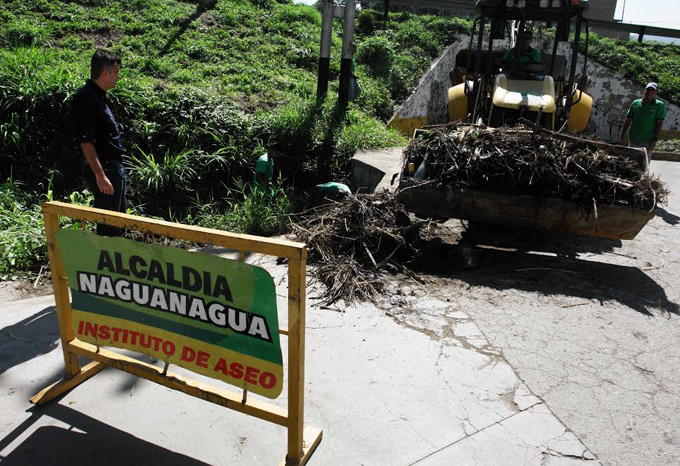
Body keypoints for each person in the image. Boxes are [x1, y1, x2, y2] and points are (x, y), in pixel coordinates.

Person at [72, 49, 126, 236]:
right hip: (105, 170)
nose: (119, 76)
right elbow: (85, 140)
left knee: (119, 224)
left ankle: (118, 264)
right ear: (105, 73)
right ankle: (105, 265)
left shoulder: (98, 97)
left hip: (113, 168)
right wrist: (100, 175)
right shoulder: (85, 98)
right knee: (109, 228)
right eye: (117, 71)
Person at [620, 82, 666, 167]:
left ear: (656, 93)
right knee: (630, 164)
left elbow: (659, 124)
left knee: (643, 166)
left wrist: (654, 141)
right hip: (633, 139)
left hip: (647, 141)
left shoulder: (659, 105)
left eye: (653, 90)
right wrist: (622, 136)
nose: (650, 92)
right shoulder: (636, 103)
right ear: (644, 90)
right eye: (648, 89)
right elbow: (628, 120)